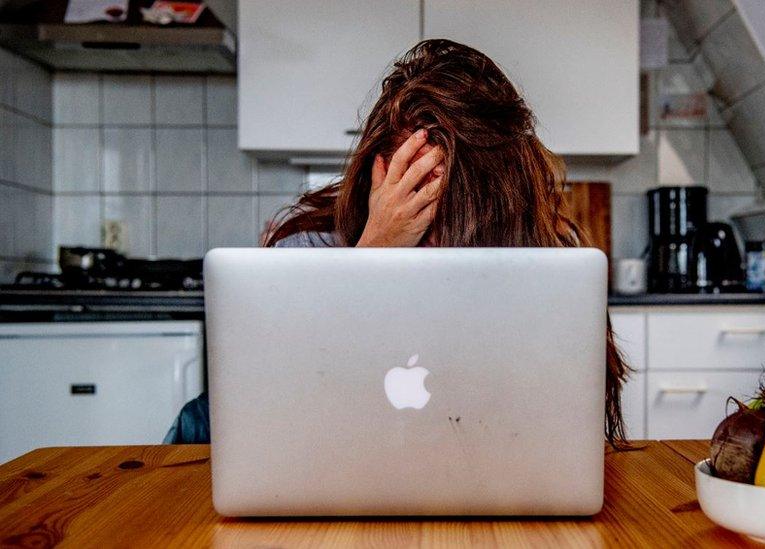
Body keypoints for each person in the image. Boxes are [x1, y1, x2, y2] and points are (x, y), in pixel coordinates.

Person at [167, 39, 632, 448]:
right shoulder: (305, 255)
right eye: (409, 201)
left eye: (444, 212)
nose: (427, 239)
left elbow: (564, 432)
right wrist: (372, 256)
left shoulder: (550, 267)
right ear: (375, 183)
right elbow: (277, 418)